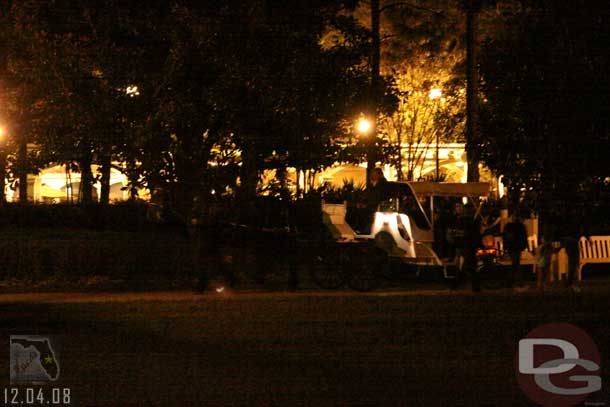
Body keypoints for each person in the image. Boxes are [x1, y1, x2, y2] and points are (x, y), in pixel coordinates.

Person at [503, 213, 528, 288]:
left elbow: (505, 236)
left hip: (512, 247)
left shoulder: (509, 226)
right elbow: (524, 237)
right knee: (516, 264)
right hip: (516, 247)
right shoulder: (520, 226)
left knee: (515, 264)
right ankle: (515, 282)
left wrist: (506, 246)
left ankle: (512, 282)